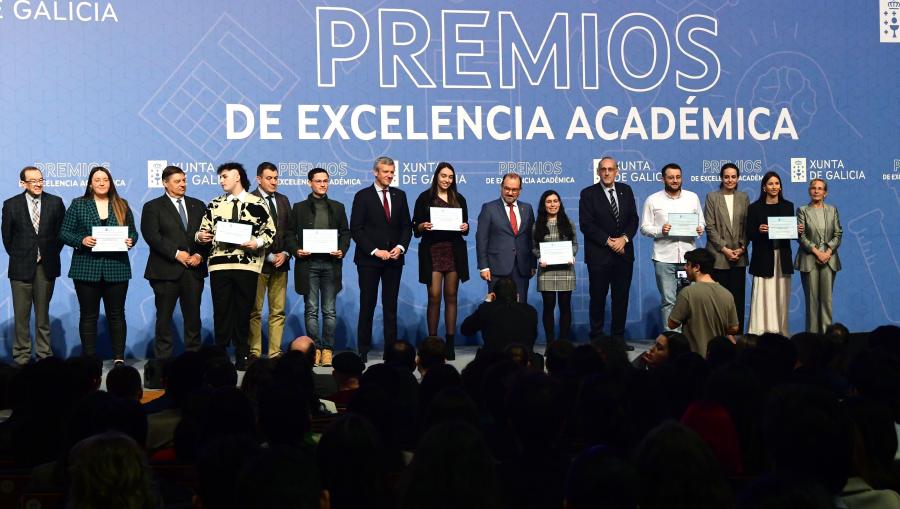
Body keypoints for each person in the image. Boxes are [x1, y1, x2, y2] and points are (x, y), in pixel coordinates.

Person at [196, 162, 275, 370]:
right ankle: (220, 357)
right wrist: (201, 236)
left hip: (247, 265)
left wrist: (256, 242)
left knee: (244, 311)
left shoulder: (257, 202)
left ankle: (242, 355)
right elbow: (202, 230)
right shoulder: (214, 203)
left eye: (224, 176)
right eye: (220, 177)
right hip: (219, 266)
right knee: (221, 312)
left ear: (237, 176)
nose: (221, 180)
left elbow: (270, 231)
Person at [59, 166, 138, 363]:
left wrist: (130, 240)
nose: (101, 183)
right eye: (97, 180)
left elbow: (133, 232)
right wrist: (82, 240)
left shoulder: (122, 204)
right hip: (86, 268)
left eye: (105, 179)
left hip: (116, 267)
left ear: (110, 183)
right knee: (88, 316)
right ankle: (89, 359)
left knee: (117, 315)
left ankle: (119, 358)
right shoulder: (78, 205)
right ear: (90, 184)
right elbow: (64, 232)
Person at [140, 165, 208, 363]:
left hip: (193, 271)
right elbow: (152, 236)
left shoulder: (198, 205)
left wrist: (199, 255)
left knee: (193, 319)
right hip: (165, 271)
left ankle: (193, 362)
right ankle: (164, 364)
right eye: (177, 181)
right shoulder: (153, 206)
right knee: (163, 320)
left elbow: (208, 234)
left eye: (184, 180)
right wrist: (177, 254)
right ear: (165, 183)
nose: (182, 185)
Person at [350, 156, 412, 362]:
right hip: (369, 261)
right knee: (367, 305)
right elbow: (356, 230)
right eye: (386, 172)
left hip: (394, 261)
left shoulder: (400, 195)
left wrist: (401, 247)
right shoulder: (362, 196)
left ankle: (391, 351)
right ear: (375, 172)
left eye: (392, 172)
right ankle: (363, 349)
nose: (390, 175)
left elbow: (406, 226)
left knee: (390, 307)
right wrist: (375, 251)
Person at [2, 166, 66, 365]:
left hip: (46, 267)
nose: (38, 184)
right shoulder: (11, 204)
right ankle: (21, 357)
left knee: (42, 315)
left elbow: (61, 234)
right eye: (33, 181)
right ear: (23, 183)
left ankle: (44, 356)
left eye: (40, 180)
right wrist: (23, 255)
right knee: (21, 317)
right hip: (20, 267)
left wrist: (46, 253)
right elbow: (7, 237)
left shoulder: (55, 202)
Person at [288, 166, 351, 367]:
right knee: (311, 309)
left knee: (329, 310)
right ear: (310, 183)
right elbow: (289, 234)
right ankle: (314, 349)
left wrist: (342, 249)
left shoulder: (338, 206)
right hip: (309, 264)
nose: (323, 184)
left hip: (331, 264)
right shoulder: (298, 207)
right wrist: (296, 250)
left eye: (325, 181)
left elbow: (345, 233)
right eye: (318, 181)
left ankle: (328, 350)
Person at [412, 162, 469, 360]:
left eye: (450, 177)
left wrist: (464, 227)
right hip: (432, 251)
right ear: (437, 176)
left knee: (451, 296)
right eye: (443, 176)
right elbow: (415, 228)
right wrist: (422, 226)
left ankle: (450, 344)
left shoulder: (459, 198)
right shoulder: (424, 198)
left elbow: (466, 226)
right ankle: (433, 342)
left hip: (453, 251)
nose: (447, 180)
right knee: (434, 295)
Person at [579, 156, 639, 346]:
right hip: (599, 256)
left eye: (610, 169)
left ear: (617, 171)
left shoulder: (626, 190)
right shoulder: (588, 193)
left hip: (624, 255)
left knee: (621, 298)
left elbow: (633, 220)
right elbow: (586, 225)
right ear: (598, 172)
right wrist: (608, 241)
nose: (606, 172)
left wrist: (624, 239)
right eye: (603, 169)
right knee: (597, 298)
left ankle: (618, 338)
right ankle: (596, 338)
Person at [640, 163, 705, 330]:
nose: (675, 180)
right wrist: (661, 231)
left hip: (688, 259)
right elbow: (644, 228)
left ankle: (688, 337)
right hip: (664, 258)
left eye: (678, 177)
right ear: (663, 179)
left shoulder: (693, 197)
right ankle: (672, 341)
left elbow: (701, 222)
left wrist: (699, 228)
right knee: (669, 301)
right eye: (671, 177)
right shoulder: (653, 200)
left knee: (688, 300)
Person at [248, 162, 293, 361]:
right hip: (257, 263)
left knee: (278, 311)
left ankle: (275, 351)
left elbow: (290, 232)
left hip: (281, 263)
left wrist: (286, 253)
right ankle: (255, 351)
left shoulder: (283, 200)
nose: (274, 182)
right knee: (255, 311)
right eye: (269, 178)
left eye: (276, 178)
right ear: (259, 179)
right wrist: (268, 255)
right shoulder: (249, 200)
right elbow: (247, 233)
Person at [746, 171, 799, 336]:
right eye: (770, 184)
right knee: (763, 296)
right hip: (763, 258)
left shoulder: (788, 206)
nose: (774, 187)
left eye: (777, 183)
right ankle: (759, 332)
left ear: (781, 186)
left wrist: (797, 230)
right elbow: (750, 234)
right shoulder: (754, 208)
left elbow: (790, 234)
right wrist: (759, 230)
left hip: (782, 258)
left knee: (781, 296)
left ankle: (780, 332)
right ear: (764, 187)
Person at [704, 162, 750, 333]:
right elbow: (710, 227)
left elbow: (747, 226)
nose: (730, 180)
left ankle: (737, 336)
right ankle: (718, 336)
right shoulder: (712, 197)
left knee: (737, 300)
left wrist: (742, 247)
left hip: (739, 257)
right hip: (718, 257)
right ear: (721, 178)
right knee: (719, 300)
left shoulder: (744, 197)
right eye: (726, 177)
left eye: (733, 177)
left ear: (738, 178)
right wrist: (725, 249)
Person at [475, 173, 535, 302]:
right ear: (501, 187)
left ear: (520, 191)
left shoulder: (528, 208)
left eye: (514, 190)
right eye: (507, 188)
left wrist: (533, 264)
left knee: (520, 308)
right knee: (496, 311)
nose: (510, 192)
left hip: (522, 268)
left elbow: (531, 238)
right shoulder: (489, 208)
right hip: (496, 268)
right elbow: (481, 239)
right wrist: (484, 266)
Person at [667, 248, 740, 354]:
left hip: (693, 359)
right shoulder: (727, 294)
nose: (685, 267)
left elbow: (672, 324)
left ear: (696, 267)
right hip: (716, 359)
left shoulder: (687, 293)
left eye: (687, 264)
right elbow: (734, 328)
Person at [795, 178, 842, 334]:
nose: (816, 191)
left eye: (820, 188)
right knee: (812, 302)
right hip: (810, 260)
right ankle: (813, 338)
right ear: (809, 191)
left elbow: (838, 233)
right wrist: (817, 252)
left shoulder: (832, 210)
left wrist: (827, 252)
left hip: (829, 259)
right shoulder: (802, 210)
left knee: (826, 301)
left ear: (825, 192)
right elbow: (800, 236)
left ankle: (828, 337)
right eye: (813, 188)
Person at [531, 190, 578, 343]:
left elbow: (575, 244)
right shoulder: (537, 225)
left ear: (560, 203)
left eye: (555, 201)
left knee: (565, 308)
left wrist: (571, 255)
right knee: (548, 308)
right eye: (549, 201)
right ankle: (550, 344)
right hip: (546, 271)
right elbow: (534, 247)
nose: (553, 204)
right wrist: (540, 257)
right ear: (544, 205)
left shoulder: (568, 222)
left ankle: (564, 342)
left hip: (566, 270)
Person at [460, 277, 538, 352]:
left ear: (493, 296)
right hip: (523, 360)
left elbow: (465, 330)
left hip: (493, 360)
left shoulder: (486, 309)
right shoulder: (531, 311)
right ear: (517, 296)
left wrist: (486, 303)